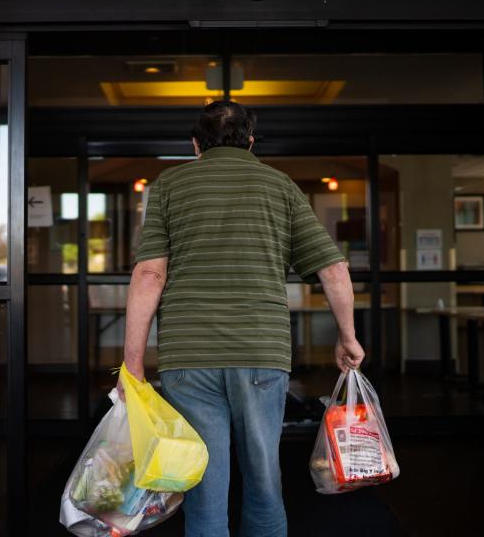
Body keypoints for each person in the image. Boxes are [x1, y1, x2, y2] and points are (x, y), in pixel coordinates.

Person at [121, 100, 365, 537]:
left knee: (202, 479)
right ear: (250, 142)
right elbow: (333, 268)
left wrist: (132, 363)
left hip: (189, 354)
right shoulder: (280, 185)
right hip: (260, 351)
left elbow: (149, 273)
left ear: (196, 144)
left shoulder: (170, 185)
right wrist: (348, 337)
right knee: (264, 476)